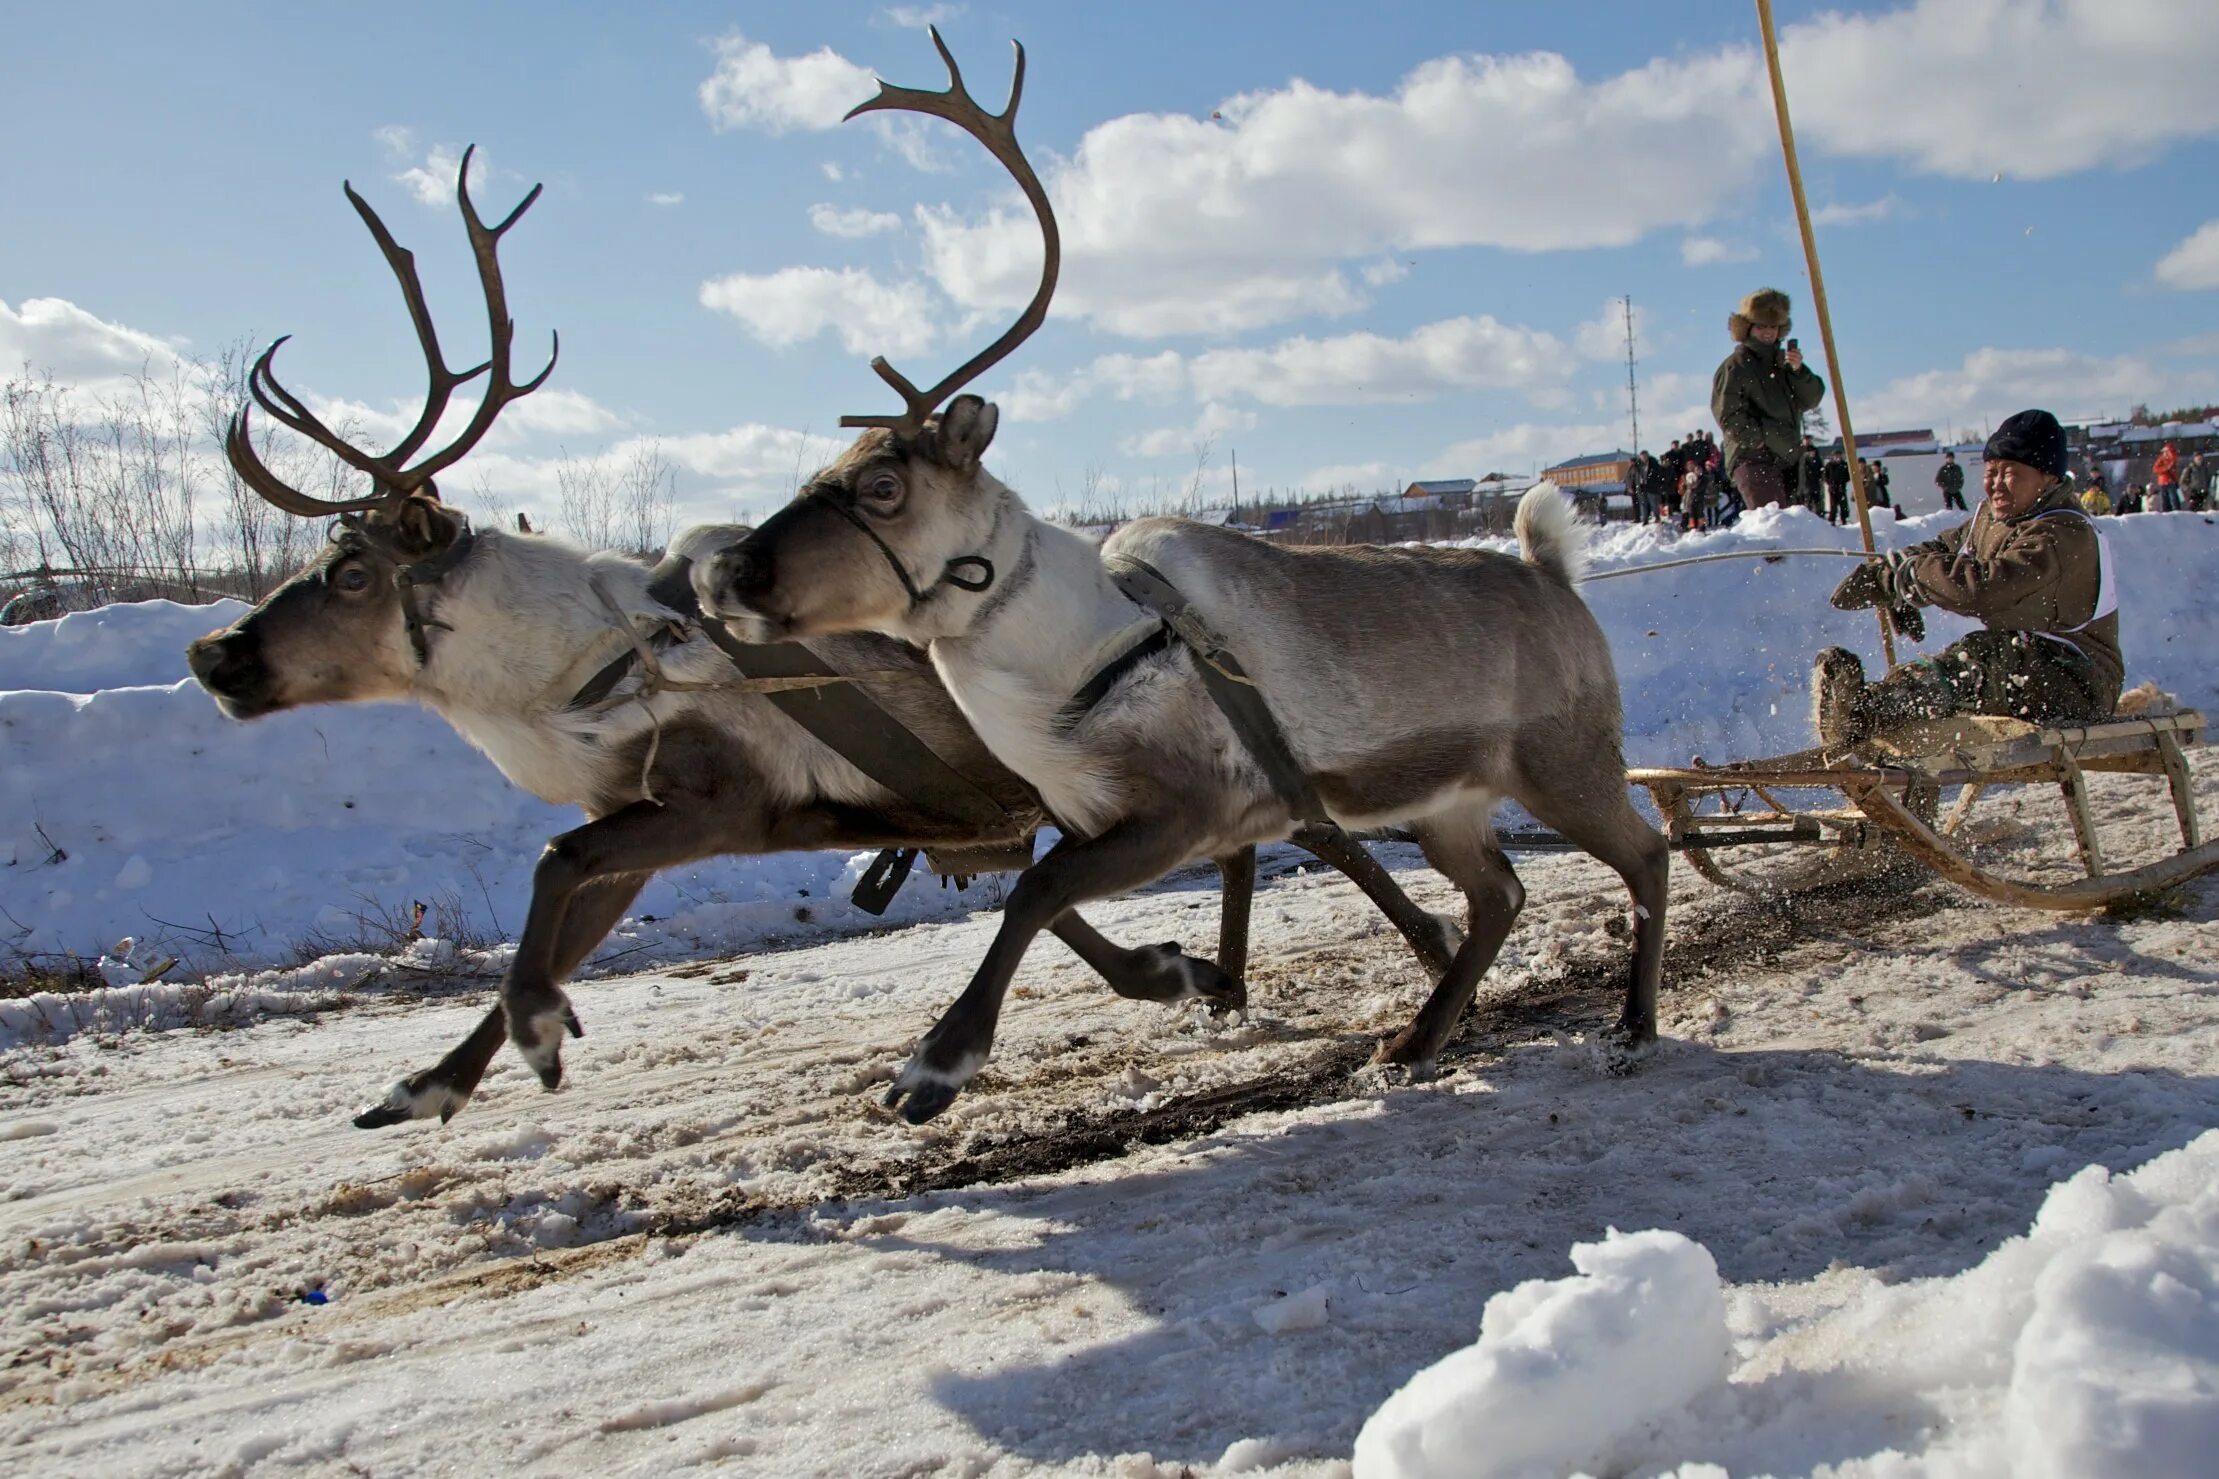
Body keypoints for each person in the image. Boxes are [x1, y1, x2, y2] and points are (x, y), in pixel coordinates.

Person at [1814, 409, 2121, 747]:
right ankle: (1875, 706)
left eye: (2010, 473)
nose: (1995, 484)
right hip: (2028, 663)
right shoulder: (1995, 517)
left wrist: (1915, 577)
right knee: (1982, 658)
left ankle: (1866, 713)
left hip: (2079, 679)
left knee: (1980, 659)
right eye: (1990, 472)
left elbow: (1985, 588)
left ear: (2047, 477)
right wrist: (1892, 576)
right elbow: (1943, 550)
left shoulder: (2063, 532)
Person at [1712, 289, 1826, 512]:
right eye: (1761, 326)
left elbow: (1811, 399)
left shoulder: (1784, 365)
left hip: (1787, 456)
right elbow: (1728, 414)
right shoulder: (1736, 365)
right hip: (1753, 457)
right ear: (1748, 328)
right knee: (1773, 524)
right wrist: (1759, 439)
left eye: (1772, 327)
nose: (1767, 333)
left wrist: (1798, 370)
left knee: (1795, 528)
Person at [1822, 449, 1852, 524]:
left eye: (1839, 456)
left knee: (1843, 505)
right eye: (1836, 456)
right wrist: (1830, 483)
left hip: (1841, 487)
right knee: (1833, 505)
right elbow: (1825, 476)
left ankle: (1844, 519)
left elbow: (1848, 476)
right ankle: (1832, 520)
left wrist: (1843, 481)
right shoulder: (1829, 465)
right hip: (1833, 488)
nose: (1838, 457)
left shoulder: (1844, 465)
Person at [2152, 440, 2180, 513]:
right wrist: (2166, 468)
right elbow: (2155, 469)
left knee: (2170, 499)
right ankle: (2171, 511)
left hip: (2168, 481)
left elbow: (2156, 469)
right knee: (2168, 499)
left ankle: (2171, 511)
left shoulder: (2170, 458)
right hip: (2166, 481)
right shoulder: (2163, 459)